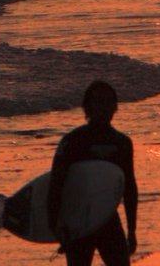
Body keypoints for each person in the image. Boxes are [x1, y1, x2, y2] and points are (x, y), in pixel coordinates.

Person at [47, 80, 139, 265]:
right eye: (98, 102)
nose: (103, 107)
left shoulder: (122, 143)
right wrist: (56, 226)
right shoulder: (72, 141)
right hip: (79, 222)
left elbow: (129, 189)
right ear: (87, 107)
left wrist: (132, 230)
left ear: (115, 107)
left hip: (108, 220)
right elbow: (56, 186)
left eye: (108, 102)